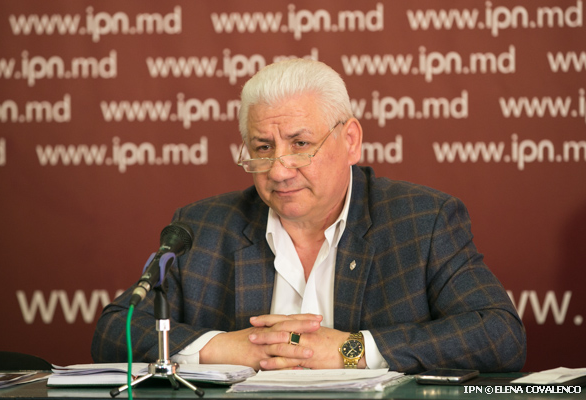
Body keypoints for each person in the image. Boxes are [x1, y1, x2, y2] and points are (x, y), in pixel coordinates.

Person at [91, 59, 526, 373]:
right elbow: (115, 330)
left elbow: (499, 335)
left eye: (300, 144)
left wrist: (352, 350)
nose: (279, 170)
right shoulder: (204, 227)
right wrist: (225, 347)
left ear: (350, 140)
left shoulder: (422, 220)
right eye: (263, 148)